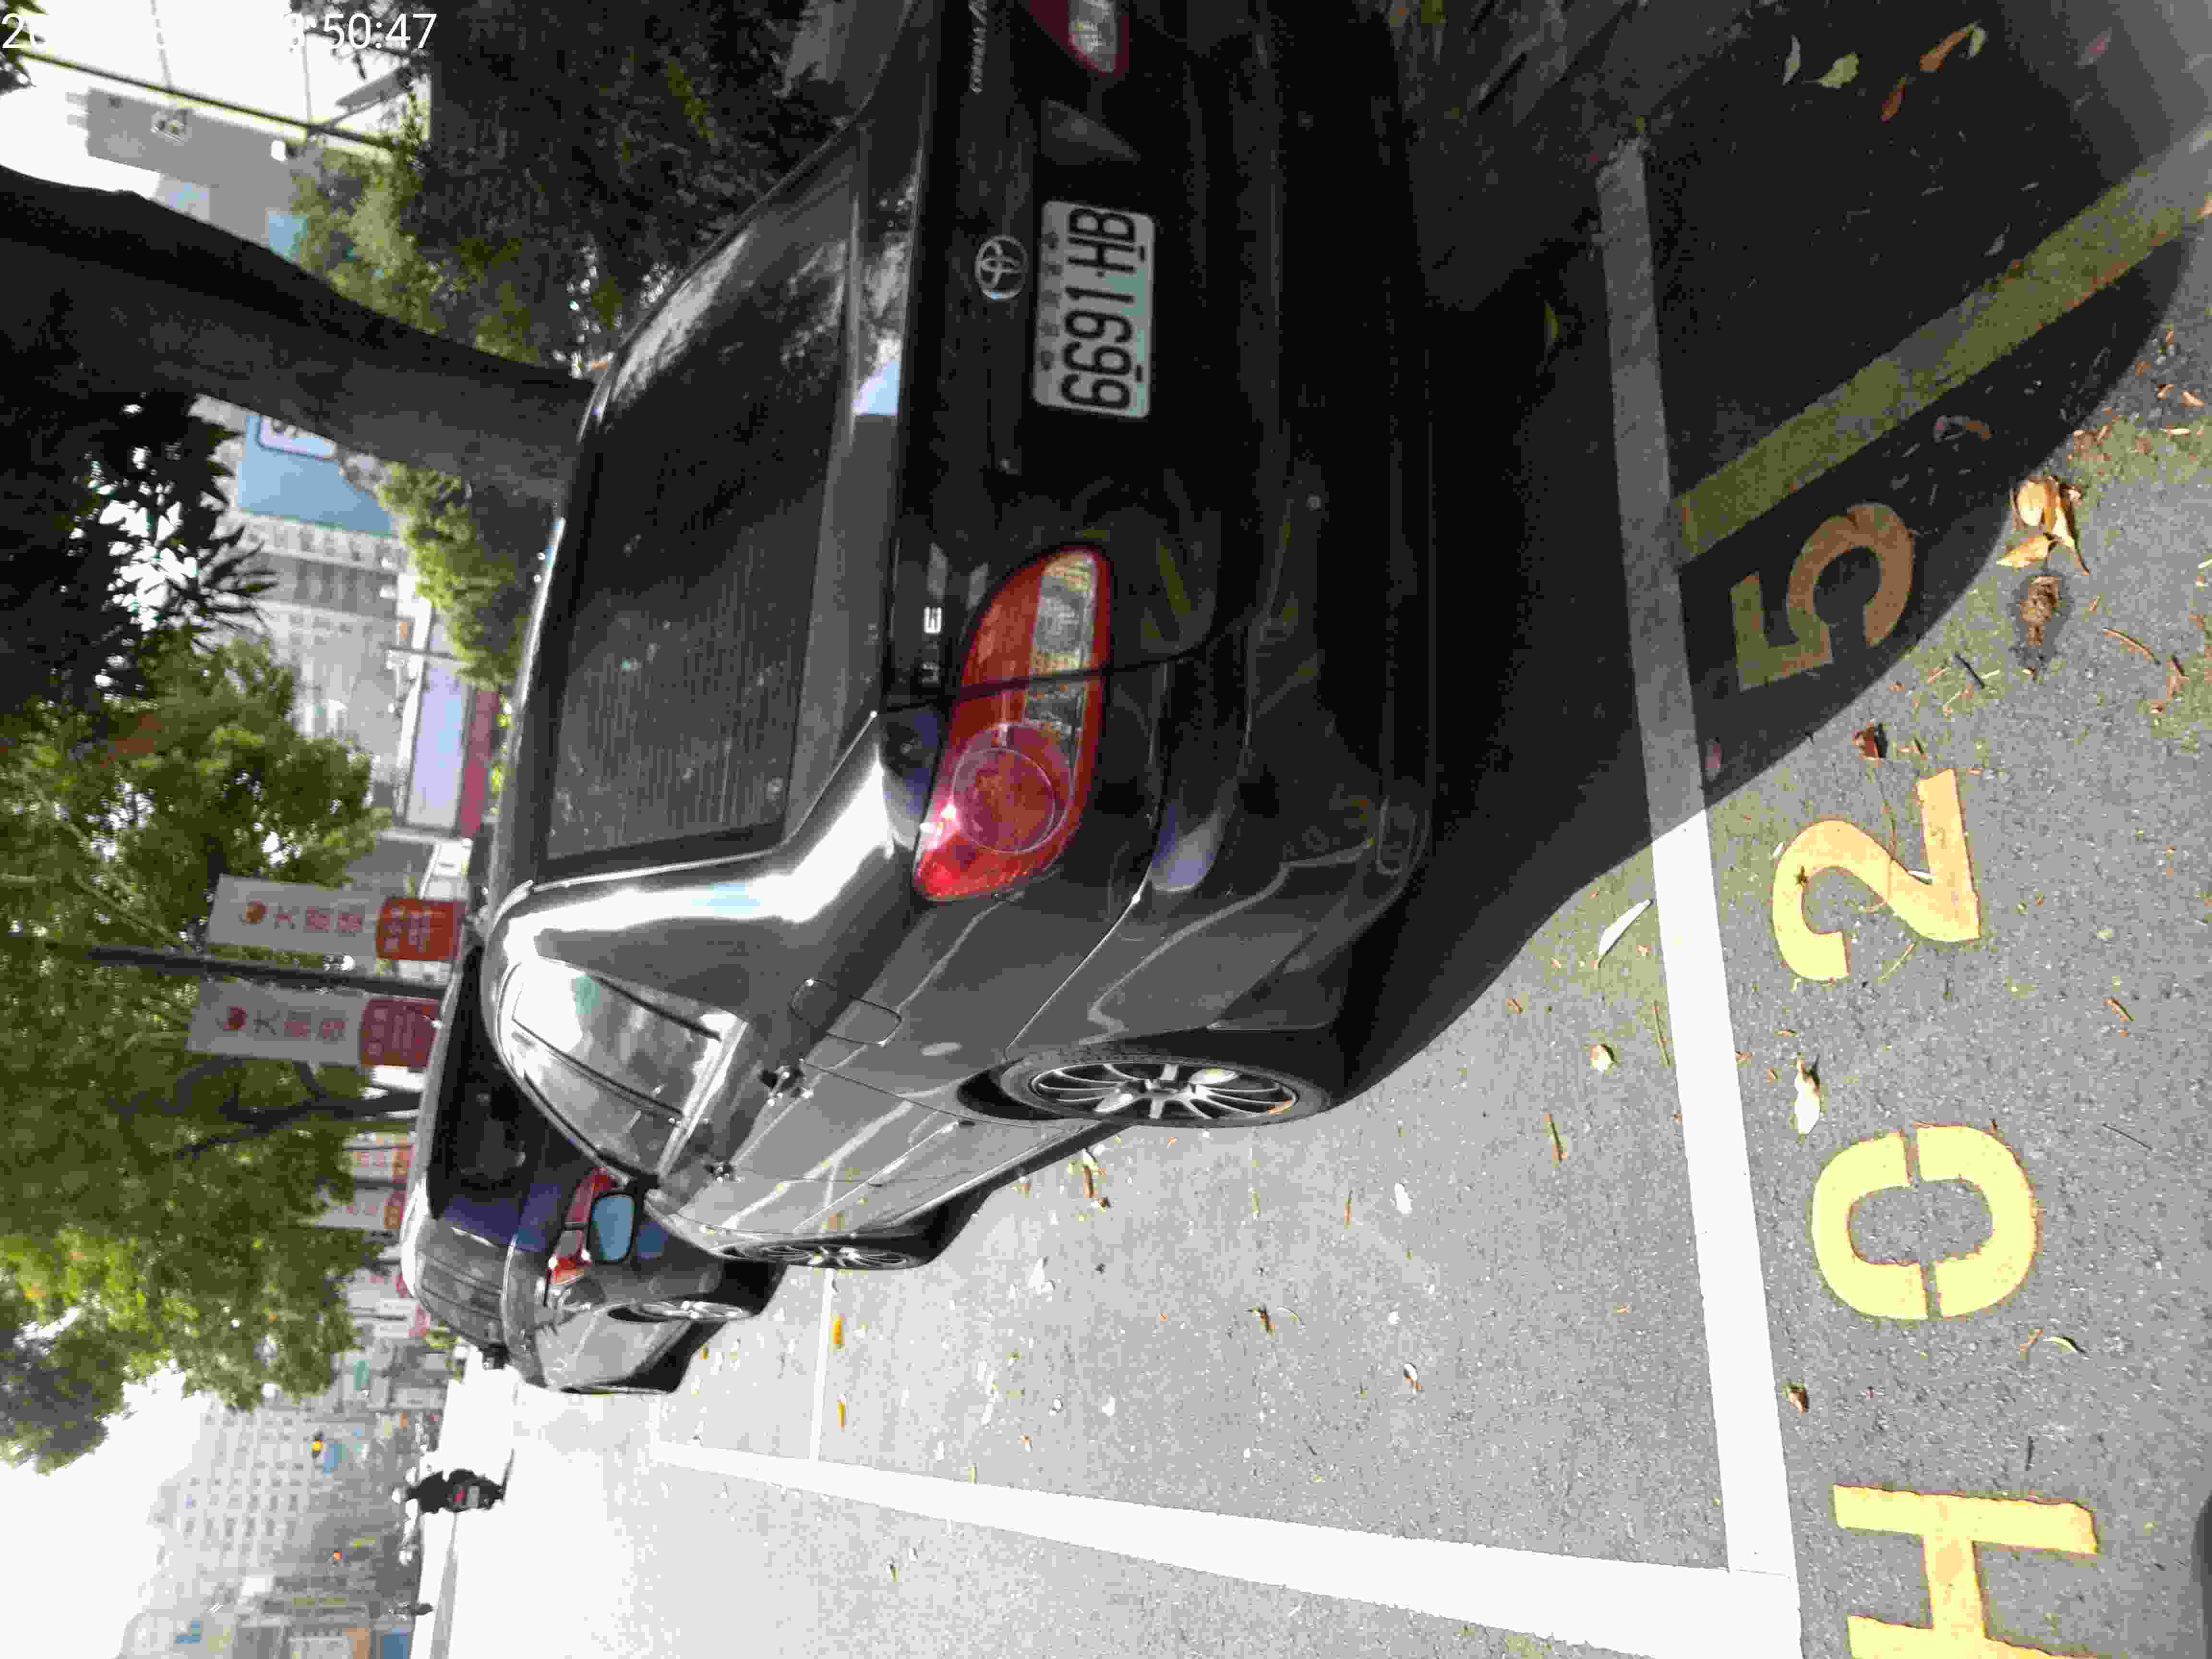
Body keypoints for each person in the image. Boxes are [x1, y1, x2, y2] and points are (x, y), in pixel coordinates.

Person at [392, 1467, 505, 1515]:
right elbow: (439, 1477)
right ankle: (490, 1487)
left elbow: (435, 1510)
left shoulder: (423, 1506)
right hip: (453, 1490)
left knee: (458, 1505)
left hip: (453, 1502)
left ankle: (489, 1498)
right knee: (459, 1475)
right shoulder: (424, 1484)